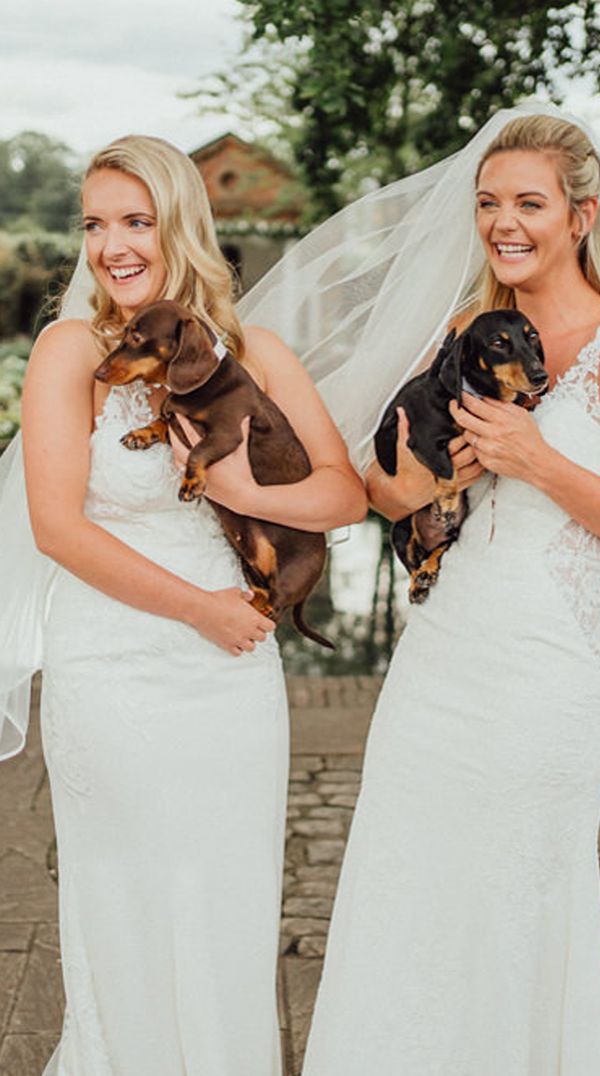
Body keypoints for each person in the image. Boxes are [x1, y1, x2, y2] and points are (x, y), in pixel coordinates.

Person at [292, 107, 600, 1073]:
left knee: (515, 890)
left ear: (581, 215)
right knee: (412, 881)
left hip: (546, 667)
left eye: (529, 202)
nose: (503, 223)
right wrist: (422, 484)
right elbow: (376, 489)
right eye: (488, 203)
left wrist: (537, 461)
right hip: (440, 659)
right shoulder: (458, 334)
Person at [0, 135, 366, 1075]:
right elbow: (57, 528)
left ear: (181, 227)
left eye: (136, 221)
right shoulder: (70, 351)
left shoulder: (254, 351)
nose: (112, 246)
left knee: (224, 901)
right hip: (117, 665)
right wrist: (200, 608)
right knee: (124, 901)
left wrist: (247, 494)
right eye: (94, 224)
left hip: (232, 682)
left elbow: (343, 495)